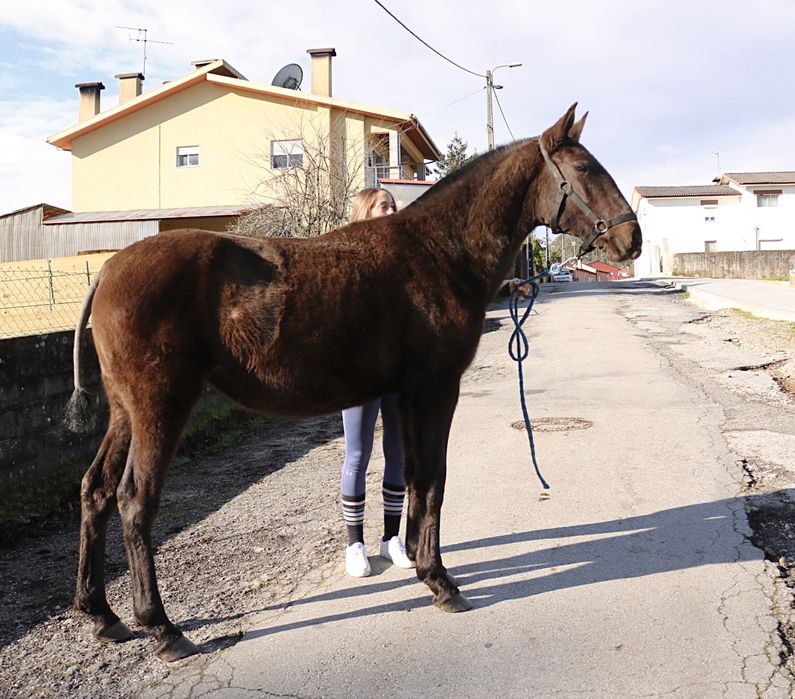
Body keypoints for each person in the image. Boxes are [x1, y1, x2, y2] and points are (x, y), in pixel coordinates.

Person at [341, 187, 415, 578]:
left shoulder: (404, 258)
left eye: (392, 205)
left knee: (398, 453)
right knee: (357, 454)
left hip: (398, 371)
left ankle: (390, 538)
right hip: (359, 372)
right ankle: (355, 544)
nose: (391, 210)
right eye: (382, 205)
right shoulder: (345, 256)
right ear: (365, 212)